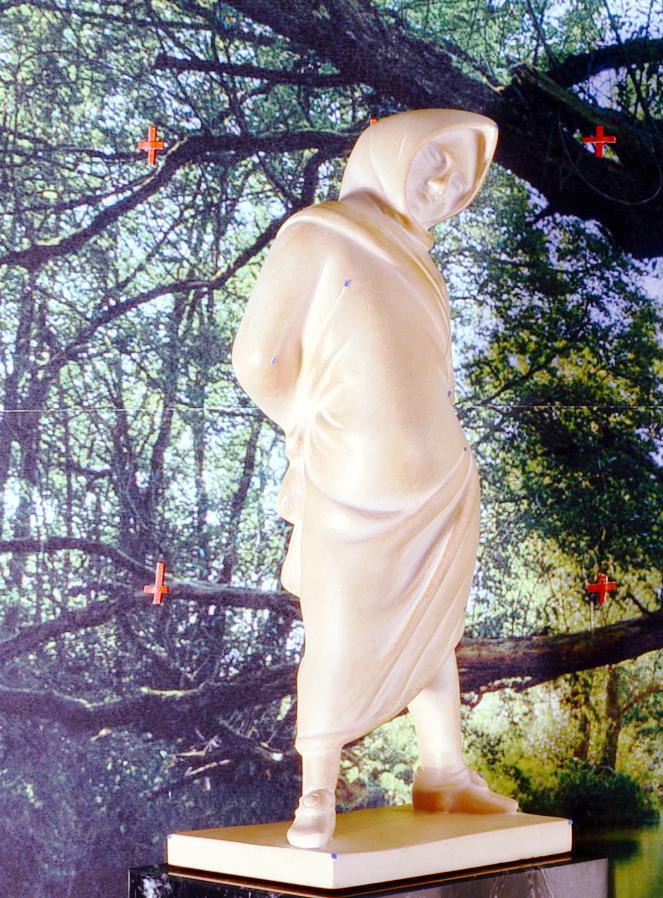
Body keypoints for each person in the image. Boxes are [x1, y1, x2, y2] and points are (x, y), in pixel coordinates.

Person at [232, 108, 517, 850]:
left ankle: (444, 771)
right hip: (348, 483)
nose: (443, 188)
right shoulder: (317, 235)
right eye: (436, 163)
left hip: (442, 484)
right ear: (391, 151)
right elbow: (257, 360)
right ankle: (317, 791)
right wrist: (311, 422)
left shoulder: (422, 262)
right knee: (337, 632)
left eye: (459, 182)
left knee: (432, 631)